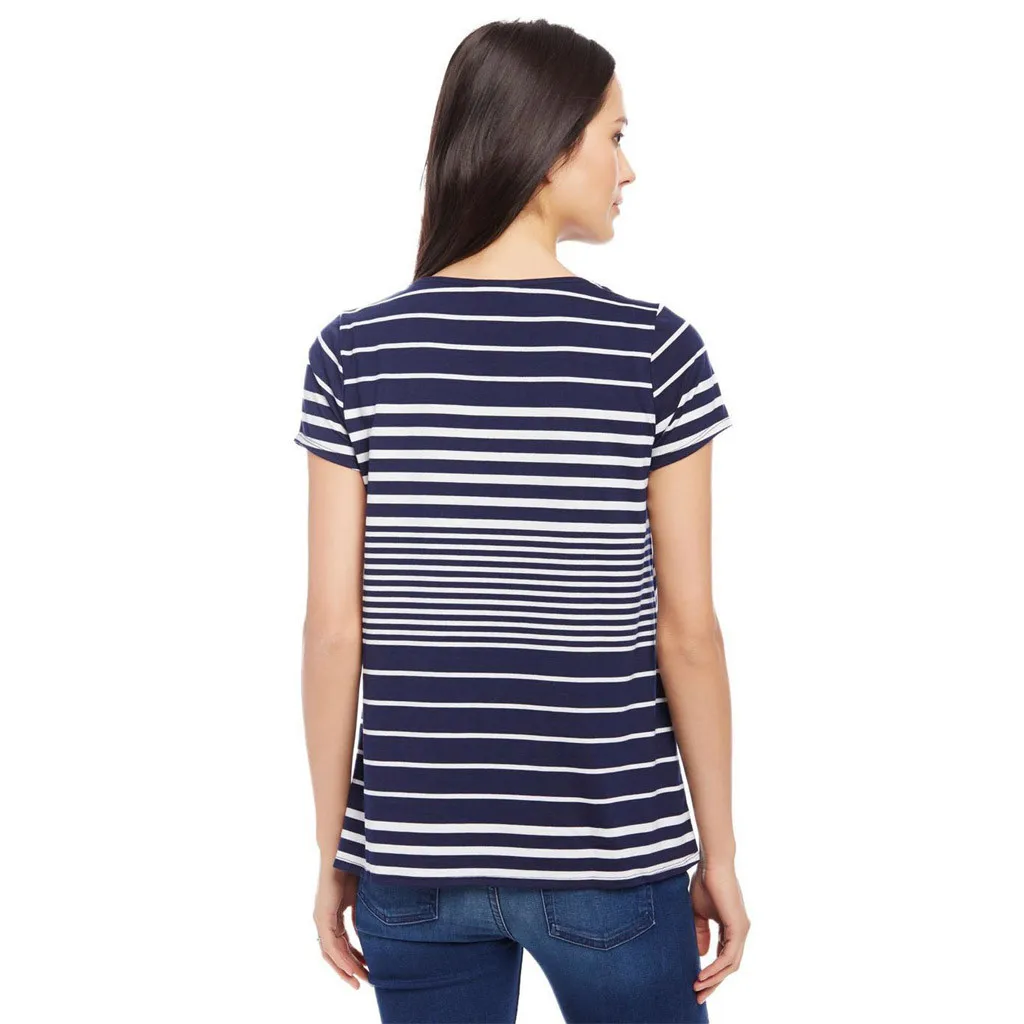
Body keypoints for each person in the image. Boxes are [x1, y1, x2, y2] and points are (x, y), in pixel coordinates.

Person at [294, 18, 749, 1023]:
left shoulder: (354, 354)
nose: (628, 169)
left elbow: (333, 630)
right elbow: (688, 631)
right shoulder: (655, 352)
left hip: (414, 858)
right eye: (615, 137)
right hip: (612, 856)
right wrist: (718, 852)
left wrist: (334, 849)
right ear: (549, 148)